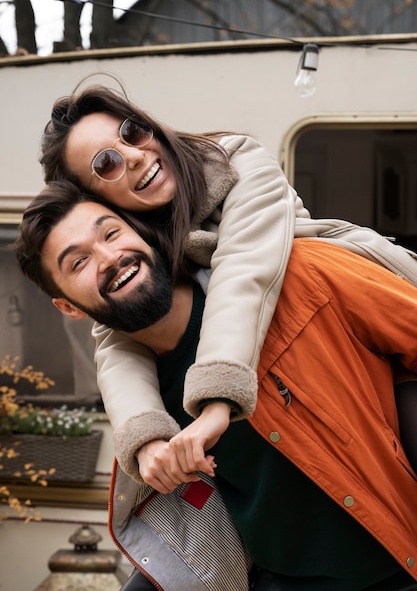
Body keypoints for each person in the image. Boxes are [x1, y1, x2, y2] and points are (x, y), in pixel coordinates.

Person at [15, 182, 417, 591]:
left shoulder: (302, 273)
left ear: (143, 232)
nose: (109, 258)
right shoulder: (143, 414)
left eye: (111, 233)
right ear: (67, 307)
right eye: (78, 262)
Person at [39, 81, 417, 488]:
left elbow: (243, 270)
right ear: (97, 200)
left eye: (132, 132)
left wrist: (217, 400)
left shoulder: (233, 162)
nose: (133, 156)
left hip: (378, 320)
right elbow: (114, 342)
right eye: (106, 163)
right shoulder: (132, 243)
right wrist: (145, 437)